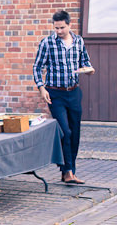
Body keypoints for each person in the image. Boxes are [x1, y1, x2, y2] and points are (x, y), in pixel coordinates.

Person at [33, 10, 95, 184]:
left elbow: (85, 63)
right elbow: (37, 67)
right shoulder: (47, 43)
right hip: (55, 93)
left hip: (74, 92)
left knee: (75, 132)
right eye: (56, 28)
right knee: (65, 131)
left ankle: (70, 171)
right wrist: (41, 87)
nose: (58, 31)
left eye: (61, 27)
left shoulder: (79, 42)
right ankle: (67, 171)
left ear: (69, 25)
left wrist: (89, 70)